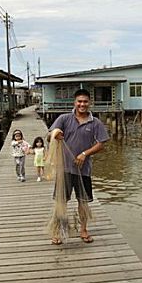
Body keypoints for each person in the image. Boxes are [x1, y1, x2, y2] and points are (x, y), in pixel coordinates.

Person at [48, 89, 110, 244]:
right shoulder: (64, 118)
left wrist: (84, 153)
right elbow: (49, 135)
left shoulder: (95, 122)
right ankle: (57, 231)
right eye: (79, 101)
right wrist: (55, 134)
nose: (82, 104)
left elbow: (101, 143)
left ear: (90, 103)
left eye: (85, 101)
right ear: (74, 103)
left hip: (84, 170)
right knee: (61, 201)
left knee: (83, 202)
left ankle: (83, 230)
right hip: (65, 169)